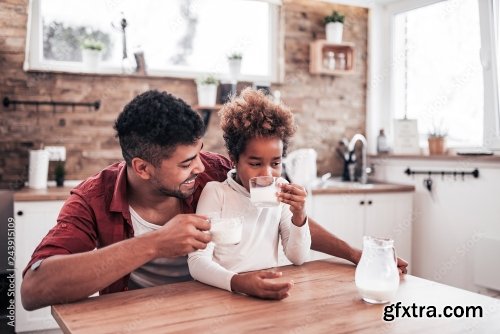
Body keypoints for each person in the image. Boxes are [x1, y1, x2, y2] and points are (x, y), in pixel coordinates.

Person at [21, 90, 408, 311]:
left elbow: (280, 212)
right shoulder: (93, 198)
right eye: (186, 162)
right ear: (142, 167)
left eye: (200, 154)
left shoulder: (215, 170)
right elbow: (34, 290)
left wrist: (357, 255)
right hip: (141, 315)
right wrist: (153, 243)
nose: (199, 167)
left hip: (218, 305)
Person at [188, 88, 310, 299]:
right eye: (255, 163)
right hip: (223, 295)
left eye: (276, 163)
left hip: (267, 293)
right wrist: (239, 282)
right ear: (234, 159)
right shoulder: (217, 193)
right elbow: (197, 263)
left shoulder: (281, 189)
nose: (267, 174)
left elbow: (297, 257)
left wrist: (300, 216)